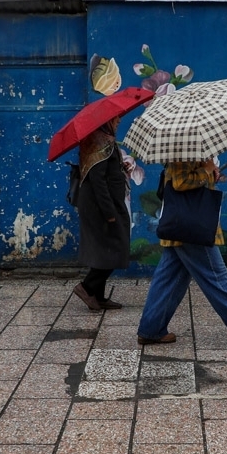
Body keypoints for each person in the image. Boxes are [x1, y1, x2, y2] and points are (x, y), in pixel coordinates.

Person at [136, 159, 227, 345]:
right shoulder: (183, 148)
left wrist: (210, 172)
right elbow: (180, 182)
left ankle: (151, 328)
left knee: (168, 279)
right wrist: (207, 170)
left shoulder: (189, 148)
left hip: (182, 227)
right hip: (192, 228)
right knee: (216, 276)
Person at [72, 116, 130, 311]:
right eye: (116, 120)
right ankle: (86, 287)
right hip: (101, 206)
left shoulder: (105, 142)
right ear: (106, 121)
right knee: (114, 246)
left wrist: (121, 169)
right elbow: (98, 182)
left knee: (104, 249)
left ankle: (99, 296)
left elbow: (107, 171)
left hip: (106, 203)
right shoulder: (100, 143)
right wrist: (109, 212)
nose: (119, 122)